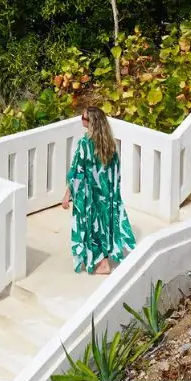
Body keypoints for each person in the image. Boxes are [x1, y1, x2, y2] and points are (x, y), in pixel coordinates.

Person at [61, 105, 136, 274]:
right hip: (106, 193)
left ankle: (102, 264)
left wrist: (68, 195)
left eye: (83, 117)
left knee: (91, 226)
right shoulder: (109, 144)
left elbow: (77, 172)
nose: (81, 120)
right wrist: (113, 194)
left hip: (90, 195)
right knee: (104, 225)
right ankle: (105, 261)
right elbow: (115, 171)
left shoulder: (84, 143)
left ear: (91, 122)